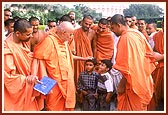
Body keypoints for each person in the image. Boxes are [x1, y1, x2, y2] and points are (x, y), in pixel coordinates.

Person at [31, 21, 93, 111]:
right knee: (53, 107)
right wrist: (33, 75)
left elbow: (69, 56)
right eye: (70, 34)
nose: (71, 37)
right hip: (54, 83)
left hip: (68, 80)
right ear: (63, 33)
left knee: (69, 105)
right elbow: (37, 58)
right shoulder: (49, 41)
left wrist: (83, 59)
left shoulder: (64, 42)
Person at [110, 14, 157, 111]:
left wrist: (121, 85)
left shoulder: (126, 38)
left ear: (118, 25)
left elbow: (128, 68)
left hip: (134, 84)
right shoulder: (137, 33)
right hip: (144, 79)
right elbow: (149, 55)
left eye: (112, 27)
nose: (112, 30)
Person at [4, 18, 43, 111]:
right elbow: (8, 77)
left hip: (29, 86)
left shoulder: (22, 42)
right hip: (19, 92)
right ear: (18, 33)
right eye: (28, 34)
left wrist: (33, 74)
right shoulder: (6, 49)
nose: (31, 36)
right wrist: (27, 79)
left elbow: (30, 57)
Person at [146, 17, 164, 111]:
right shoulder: (155, 36)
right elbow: (151, 51)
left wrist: (162, 56)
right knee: (158, 93)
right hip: (158, 68)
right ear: (162, 24)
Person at [73, 15, 96, 86]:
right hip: (78, 59)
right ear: (82, 22)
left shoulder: (93, 33)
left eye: (90, 24)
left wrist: (94, 59)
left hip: (88, 59)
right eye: (86, 23)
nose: (88, 26)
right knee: (77, 77)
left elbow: (94, 47)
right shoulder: (75, 32)